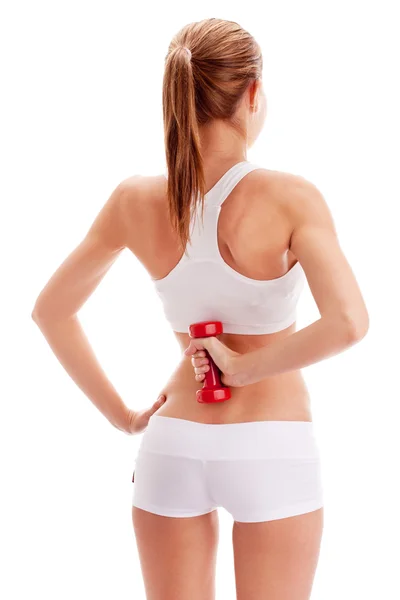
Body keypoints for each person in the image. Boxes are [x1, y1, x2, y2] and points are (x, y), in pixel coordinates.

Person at [32, 17, 369, 600]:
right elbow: (349, 321)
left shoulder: (134, 200)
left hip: (172, 444)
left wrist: (125, 417)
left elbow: (51, 311)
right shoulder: (290, 196)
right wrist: (243, 368)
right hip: (271, 444)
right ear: (253, 93)